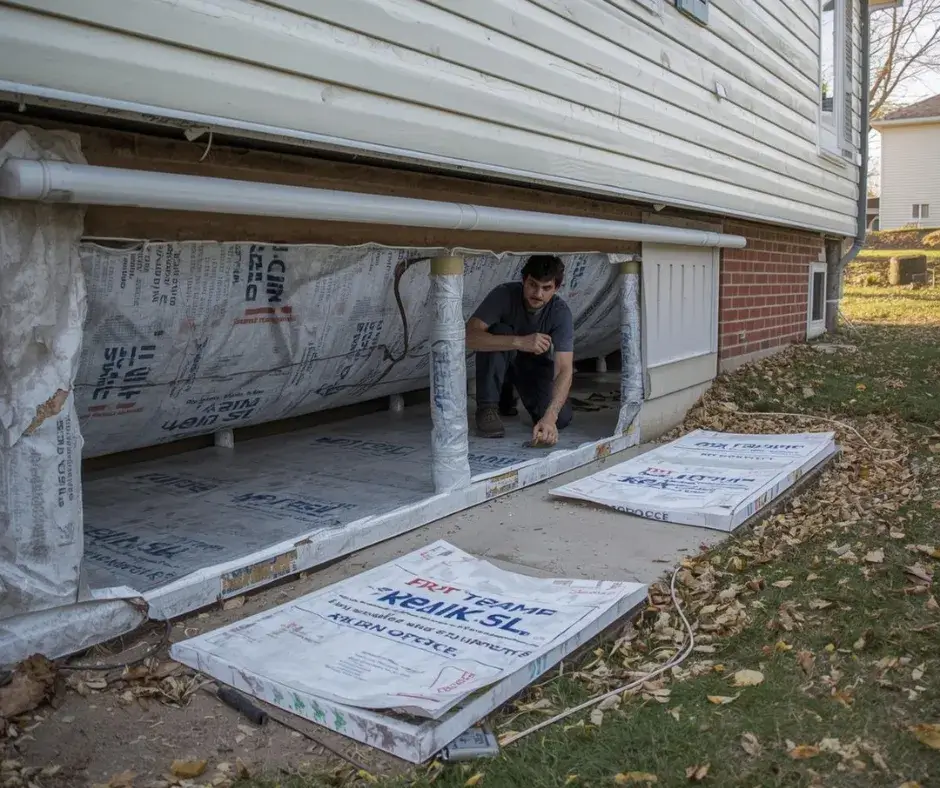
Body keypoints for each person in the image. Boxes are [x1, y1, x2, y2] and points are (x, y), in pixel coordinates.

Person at [466, 254, 574, 445]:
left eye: (546, 288)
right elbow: (468, 337)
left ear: (556, 288)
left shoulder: (560, 312)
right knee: (499, 330)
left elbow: (564, 368)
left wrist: (551, 416)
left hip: (531, 366)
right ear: (524, 280)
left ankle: (512, 394)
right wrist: (518, 342)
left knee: (562, 418)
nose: (538, 294)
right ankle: (488, 407)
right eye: (533, 285)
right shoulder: (503, 294)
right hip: (502, 358)